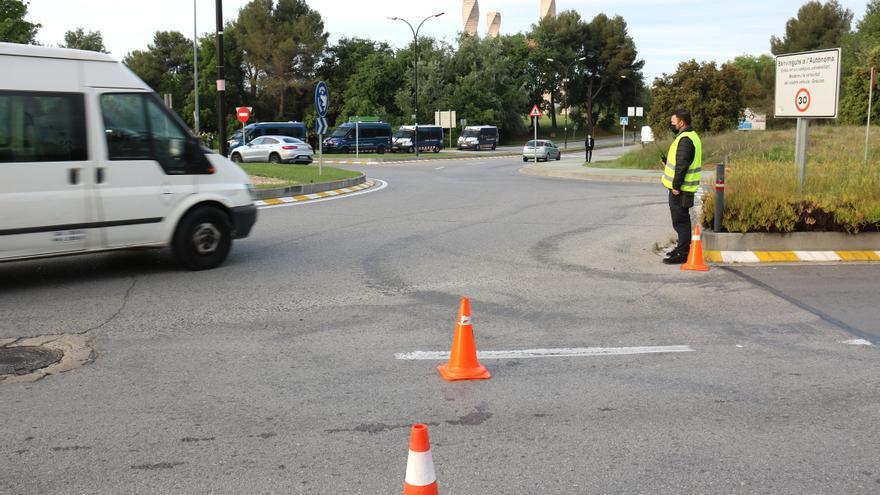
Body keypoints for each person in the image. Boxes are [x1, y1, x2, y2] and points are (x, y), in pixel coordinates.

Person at [661, 109, 702, 265]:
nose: (671, 125)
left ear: (681, 122)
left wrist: (676, 186)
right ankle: (681, 248)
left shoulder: (685, 139)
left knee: (680, 221)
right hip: (683, 187)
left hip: (681, 188)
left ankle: (683, 253)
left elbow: (682, 165)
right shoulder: (689, 137)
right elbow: (680, 161)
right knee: (680, 220)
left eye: (673, 123)